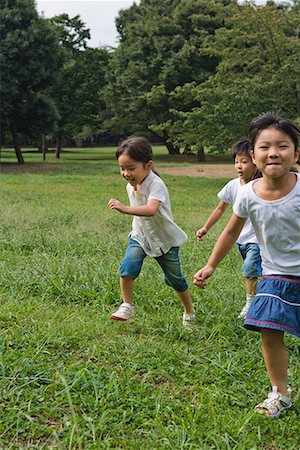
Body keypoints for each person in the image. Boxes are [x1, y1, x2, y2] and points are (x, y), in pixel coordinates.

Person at [194, 112, 300, 418]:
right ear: (253, 156)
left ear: (296, 152)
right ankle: (280, 391)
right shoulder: (247, 194)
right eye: (264, 147)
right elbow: (231, 231)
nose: (273, 152)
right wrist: (211, 264)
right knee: (269, 331)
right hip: (274, 275)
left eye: (282, 145)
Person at [108, 136, 196, 328]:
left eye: (131, 168)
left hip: (164, 241)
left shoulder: (156, 184)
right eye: (122, 168)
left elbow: (151, 209)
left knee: (175, 280)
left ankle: (189, 311)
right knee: (127, 268)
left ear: (148, 165)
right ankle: (127, 306)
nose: (126, 173)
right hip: (140, 236)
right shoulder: (130, 185)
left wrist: (124, 209)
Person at [196, 139, 262, 318]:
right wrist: (206, 228)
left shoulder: (262, 186)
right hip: (240, 239)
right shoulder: (233, 185)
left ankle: (251, 305)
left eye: (244, 161)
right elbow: (220, 209)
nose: (239, 166)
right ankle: (262, 295)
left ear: (256, 161)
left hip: (258, 240)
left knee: (250, 270)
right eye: (236, 161)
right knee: (256, 272)